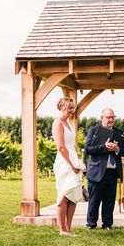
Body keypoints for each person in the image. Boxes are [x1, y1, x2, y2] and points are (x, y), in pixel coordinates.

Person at [84, 108, 124, 230]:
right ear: (101, 118)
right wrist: (104, 147)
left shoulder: (119, 133)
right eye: (108, 117)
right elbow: (88, 149)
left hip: (112, 172)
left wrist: (116, 149)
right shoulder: (93, 131)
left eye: (113, 117)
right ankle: (91, 224)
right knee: (94, 200)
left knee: (109, 200)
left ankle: (107, 224)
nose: (111, 120)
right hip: (96, 171)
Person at [52, 97, 85, 236]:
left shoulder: (69, 123)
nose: (72, 110)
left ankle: (68, 228)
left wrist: (77, 161)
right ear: (62, 107)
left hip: (73, 161)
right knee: (64, 195)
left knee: (74, 195)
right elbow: (61, 147)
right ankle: (62, 229)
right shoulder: (58, 123)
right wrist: (71, 165)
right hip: (65, 162)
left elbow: (72, 145)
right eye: (70, 108)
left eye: (73, 108)